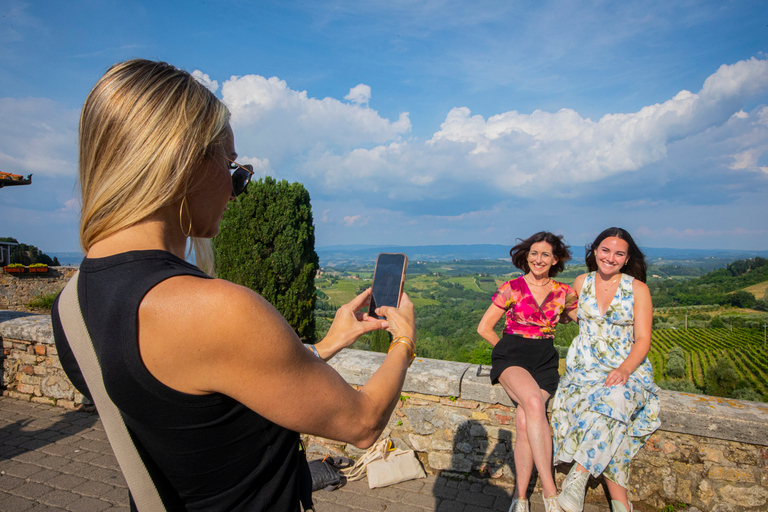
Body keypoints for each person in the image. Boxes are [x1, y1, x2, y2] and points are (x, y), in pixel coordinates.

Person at [50, 59, 417, 511]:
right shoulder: (213, 309)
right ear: (181, 161)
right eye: (232, 167)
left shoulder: (72, 303)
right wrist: (404, 339)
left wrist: (325, 345)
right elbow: (362, 423)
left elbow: (199, 403)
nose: (234, 189)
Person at [551, 228, 661, 512]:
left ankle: (578, 476)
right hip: (583, 367)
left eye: (618, 253)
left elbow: (644, 339)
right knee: (616, 426)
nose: (610, 258)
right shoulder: (581, 282)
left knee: (615, 399)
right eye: (605, 250)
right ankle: (621, 506)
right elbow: (576, 318)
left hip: (625, 365)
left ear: (626, 259)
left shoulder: (638, 289)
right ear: (595, 251)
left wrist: (624, 370)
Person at [477, 232, 578, 512]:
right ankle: (550, 493)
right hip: (511, 356)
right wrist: (504, 351)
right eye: (534, 253)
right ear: (526, 256)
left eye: (545, 254)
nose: (538, 259)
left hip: (545, 359)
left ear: (555, 259)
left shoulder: (564, 292)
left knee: (524, 421)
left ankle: (519, 498)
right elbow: (484, 327)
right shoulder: (512, 287)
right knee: (534, 403)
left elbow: (587, 322)